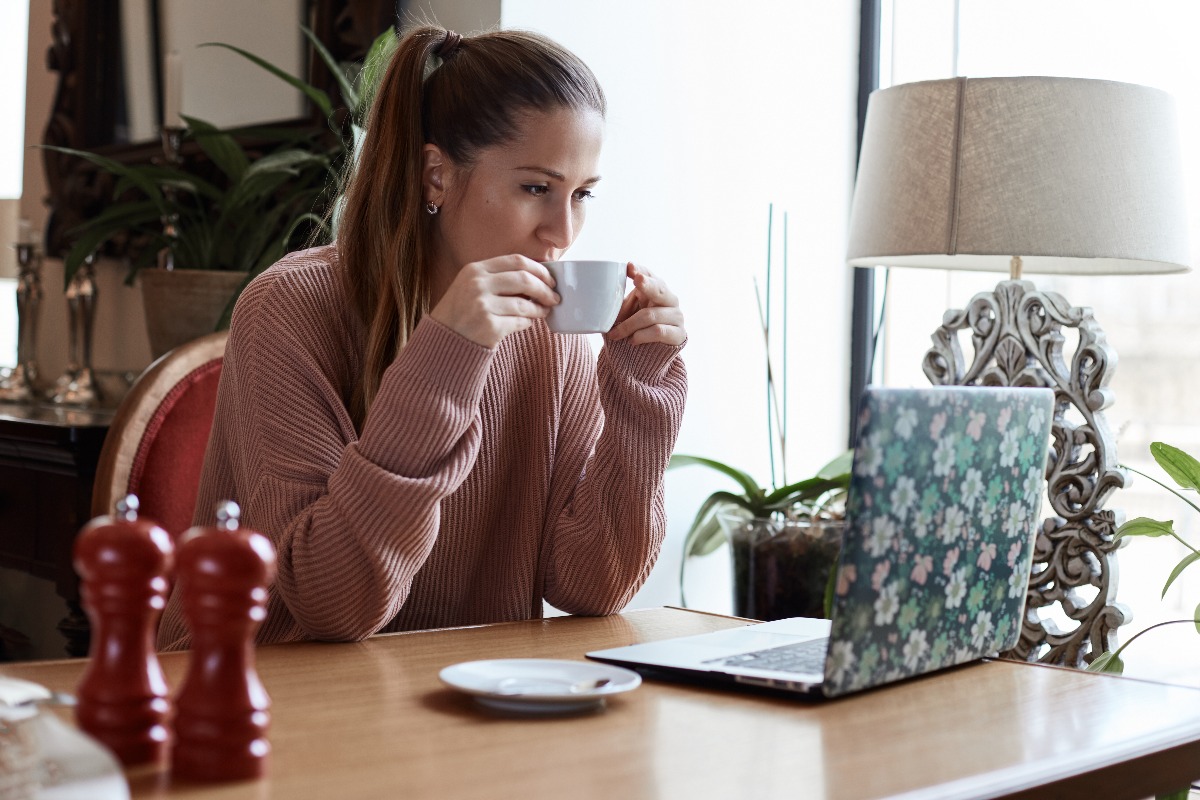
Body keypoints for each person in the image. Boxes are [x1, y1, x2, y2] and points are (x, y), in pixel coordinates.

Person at [157, 25, 687, 649]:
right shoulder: (289, 310)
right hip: (258, 697)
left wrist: (640, 395)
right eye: (537, 188)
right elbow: (332, 606)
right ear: (436, 175)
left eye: (583, 194)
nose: (562, 232)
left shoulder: (553, 337)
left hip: (455, 699)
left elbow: (589, 586)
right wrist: (446, 358)